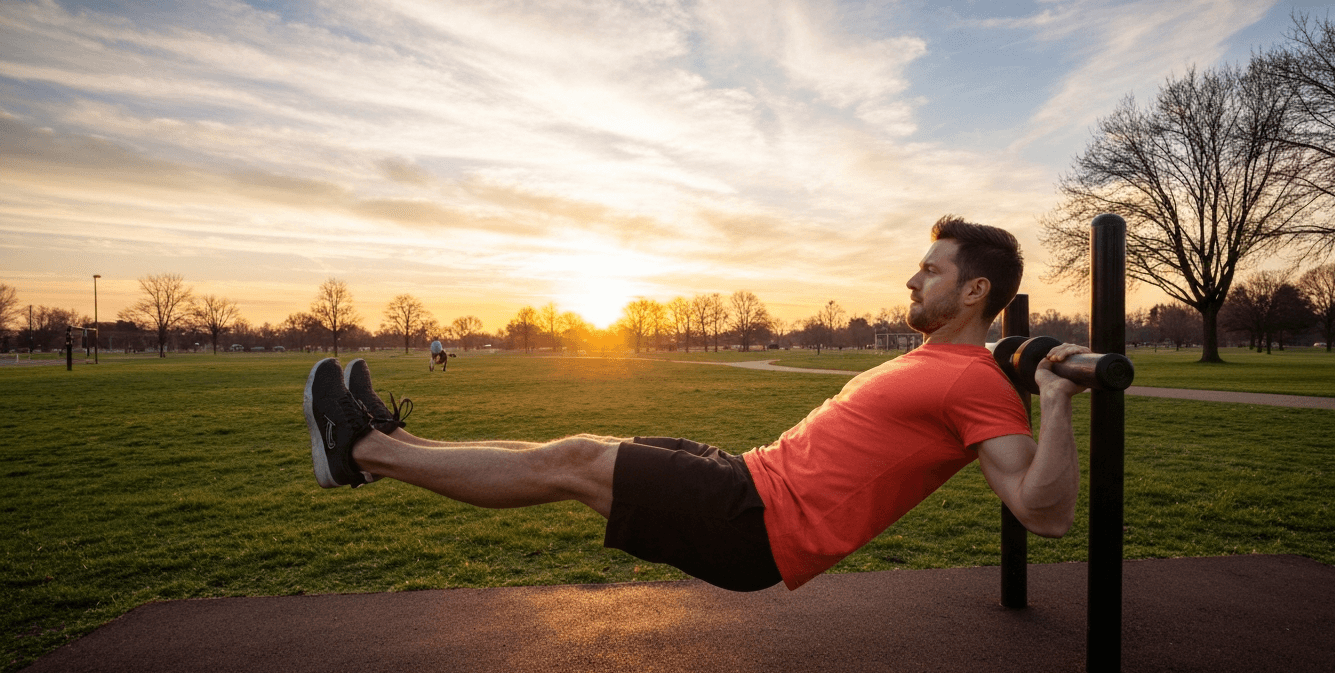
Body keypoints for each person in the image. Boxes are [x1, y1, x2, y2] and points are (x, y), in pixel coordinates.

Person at [303, 216, 1090, 592]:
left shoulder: (983, 389)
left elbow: (1043, 513)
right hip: (745, 475)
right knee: (576, 445)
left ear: (974, 290)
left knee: (573, 464)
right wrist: (1019, 355)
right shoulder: (952, 360)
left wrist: (1053, 398)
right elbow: (985, 358)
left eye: (930, 271)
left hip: (757, 524)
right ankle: (392, 442)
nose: (912, 282)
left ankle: (361, 453)